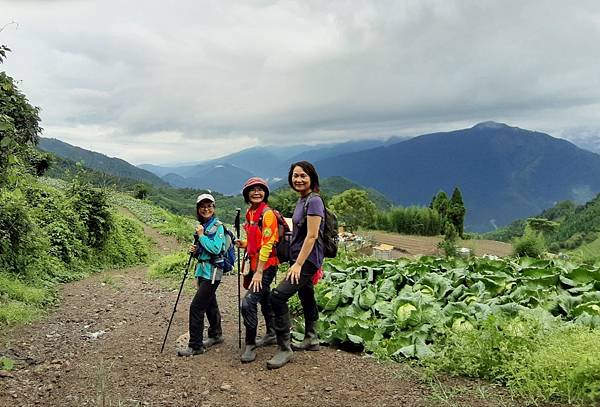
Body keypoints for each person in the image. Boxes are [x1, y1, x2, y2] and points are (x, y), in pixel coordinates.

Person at [267, 161, 325, 370]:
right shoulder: (303, 200)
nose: (298, 179)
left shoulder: (314, 201)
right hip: (302, 257)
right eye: (295, 176)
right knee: (306, 293)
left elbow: (312, 235)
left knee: (278, 296)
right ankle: (312, 338)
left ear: (312, 178)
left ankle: (284, 348)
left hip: (307, 260)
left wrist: (298, 264)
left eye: (303, 176)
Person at [235, 177, 280, 363]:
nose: (256, 192)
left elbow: (268, 245)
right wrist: (245, 244)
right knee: (265, 298)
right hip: (255, 263)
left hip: (266, 265)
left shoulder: (267, 214)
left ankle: (250, 344)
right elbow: (256, 241)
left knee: (248, 303)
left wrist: (260, 272)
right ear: (247, 193)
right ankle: (271, 333)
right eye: (252, 189)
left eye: (260, 189)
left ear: (265, 193)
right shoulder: (250, 213)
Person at [178, 193, 225, 356]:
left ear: (214, 208)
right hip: (203, 271)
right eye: (202, 206)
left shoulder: (217, 226)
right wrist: (196, 250)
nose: (206, 209)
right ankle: (216, 334)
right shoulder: (203, 225)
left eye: (209, 206)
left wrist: (201, 236)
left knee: (196, 307)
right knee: (210, 302)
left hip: (212, 272)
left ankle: (195, 345)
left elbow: (215, 249)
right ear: (198, 209)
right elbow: (204, 251)